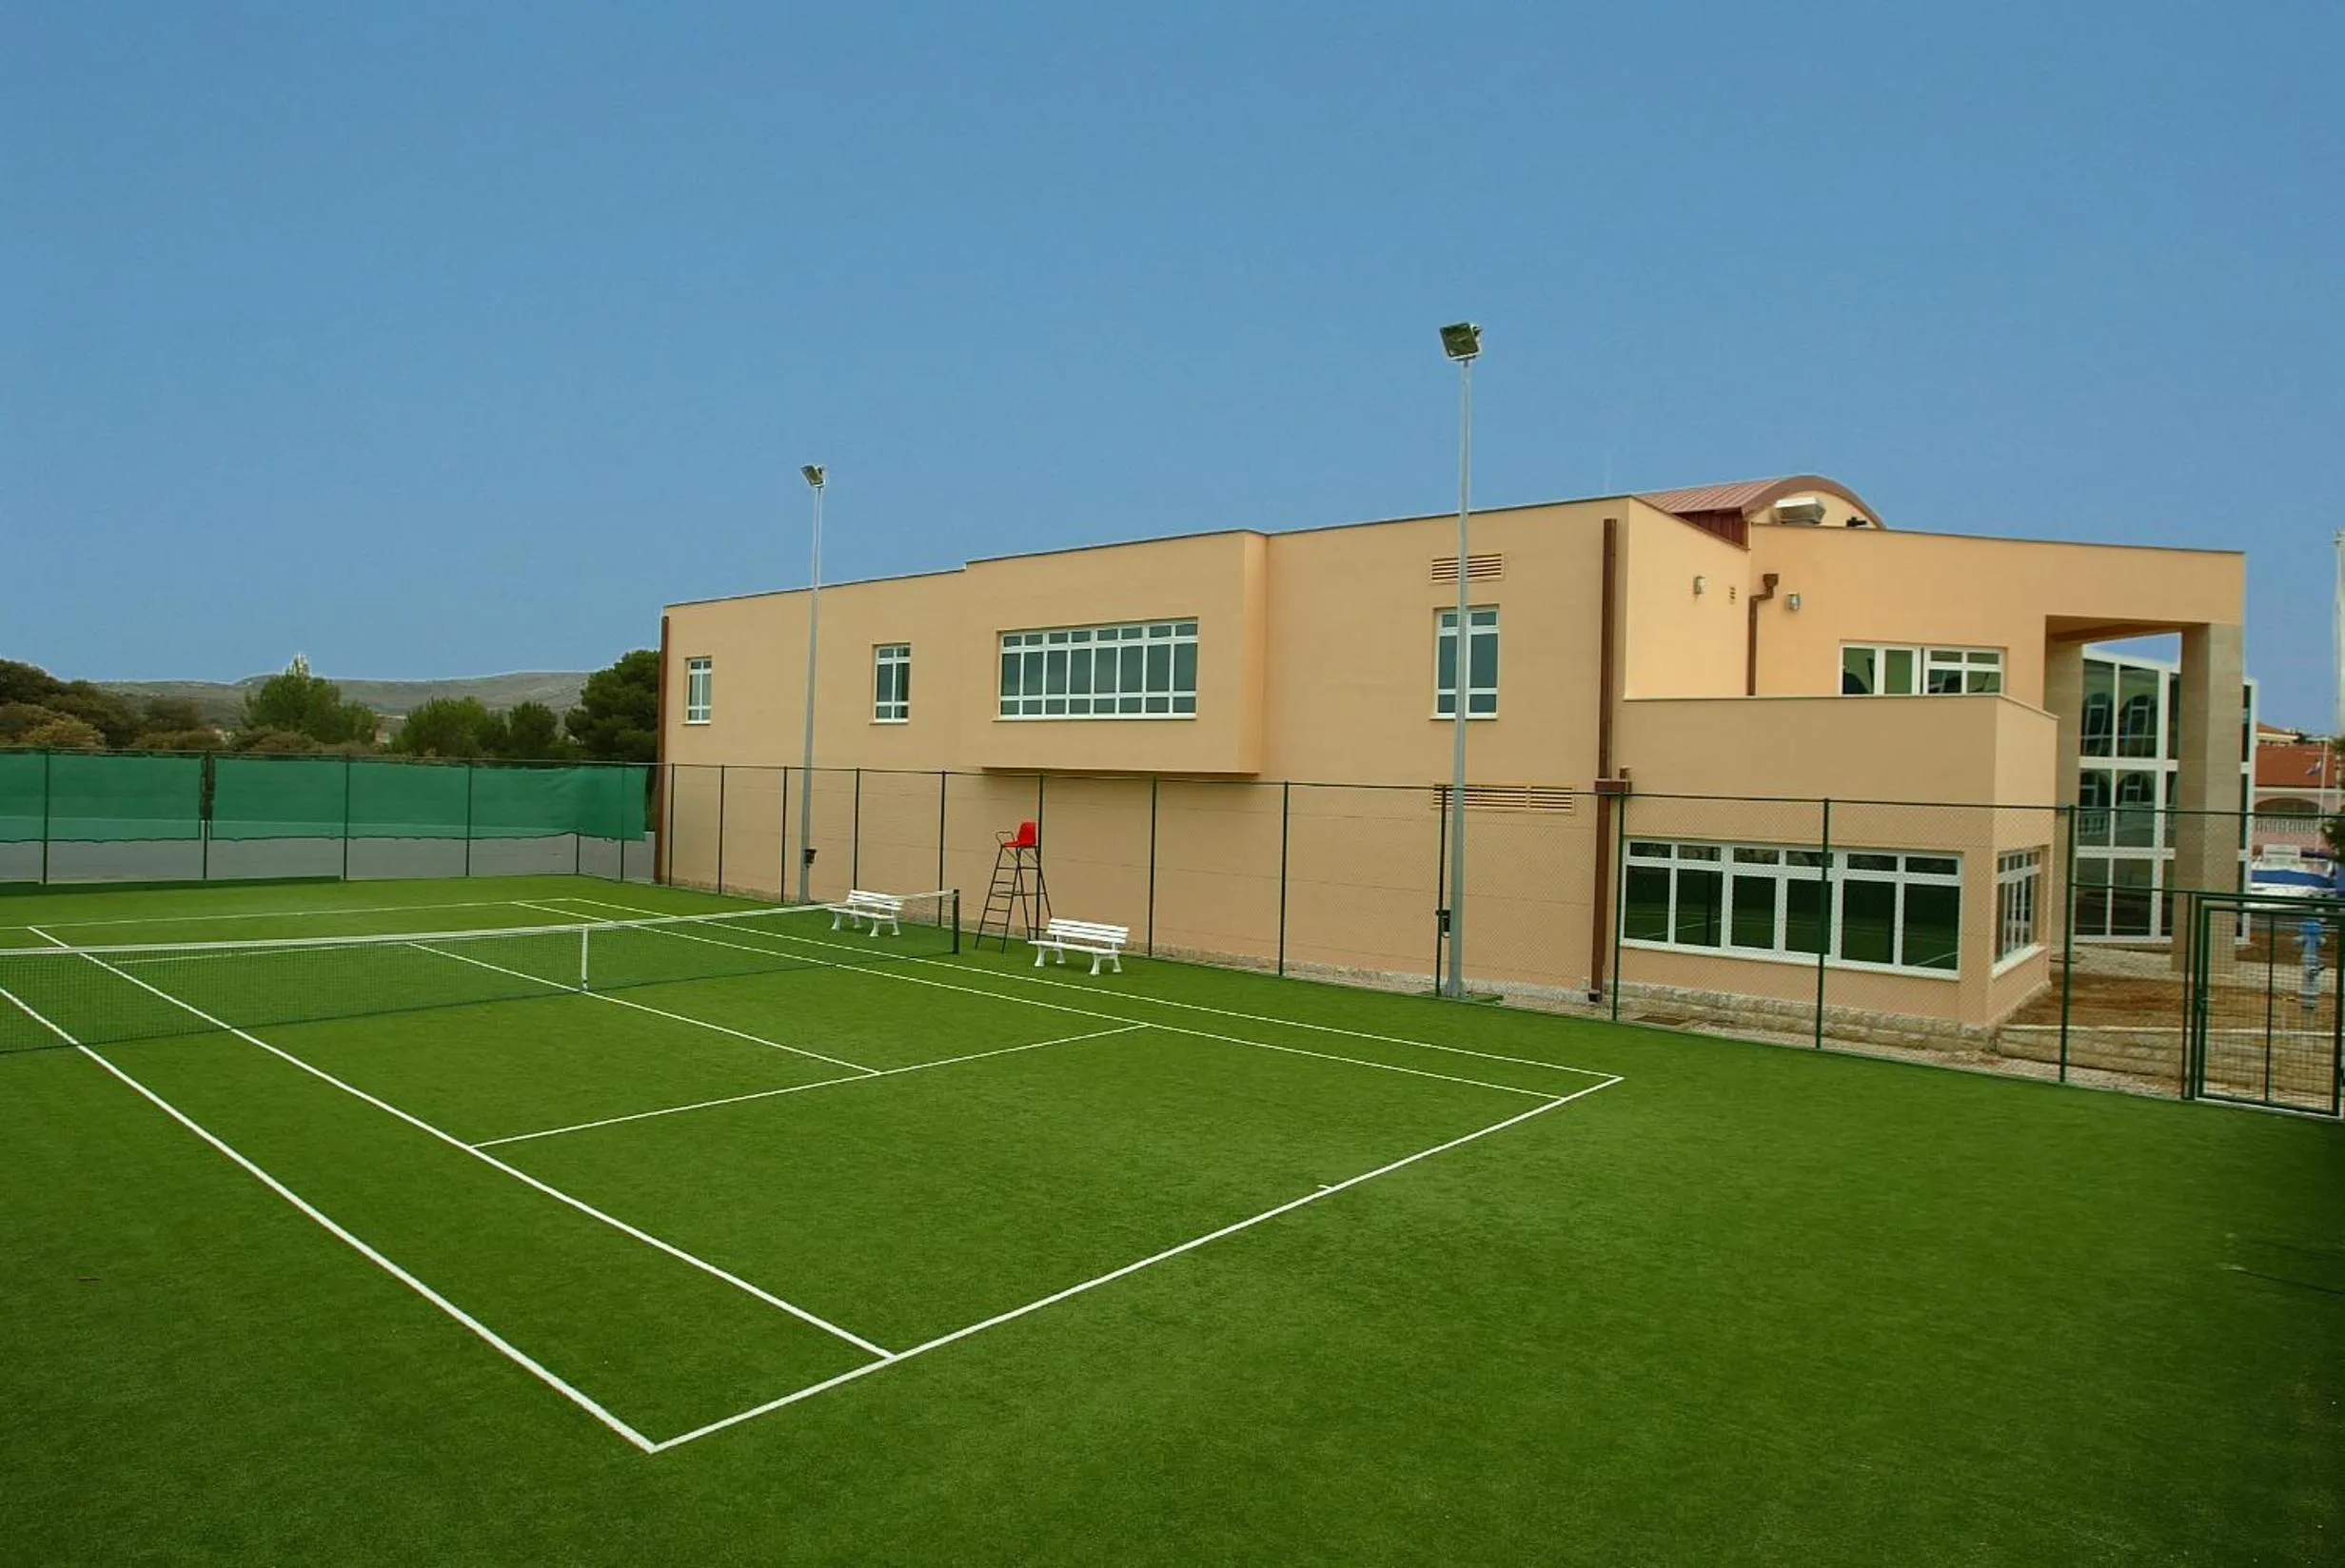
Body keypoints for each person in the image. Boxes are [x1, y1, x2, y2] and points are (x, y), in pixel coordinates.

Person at [2295, 913, 2325, 1010]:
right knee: (2310, 977)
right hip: (2311, 960)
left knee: (2310, 978)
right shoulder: (2318, 938)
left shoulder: (2307, 937)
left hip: (2310, 960)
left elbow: (2296, 941)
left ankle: (2309, 1003)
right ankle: (2308, 1003)